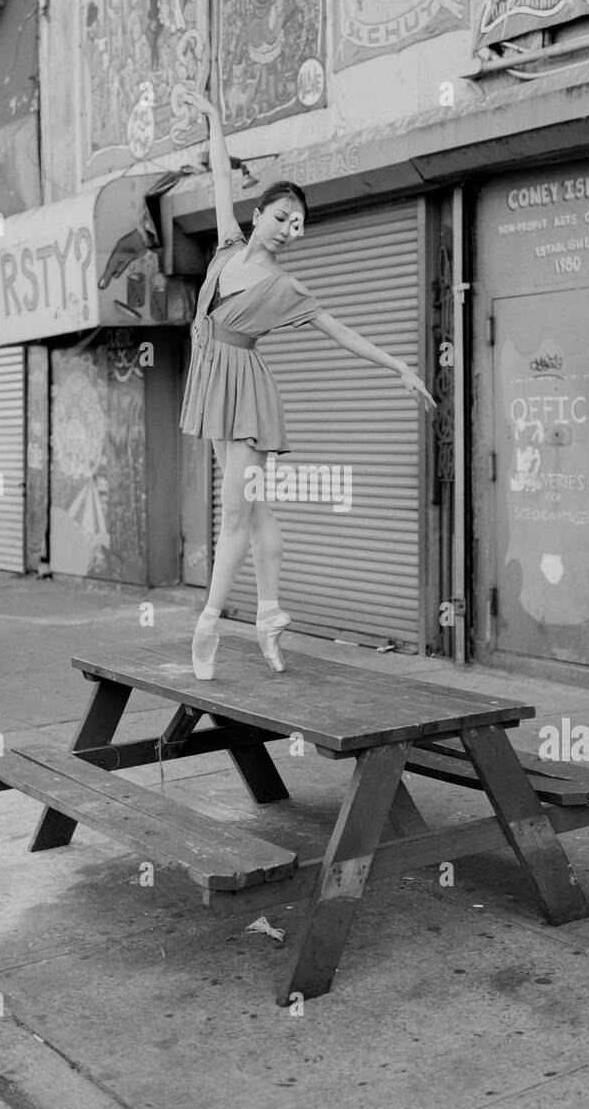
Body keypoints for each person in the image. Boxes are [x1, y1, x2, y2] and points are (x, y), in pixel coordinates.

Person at [179, 88, 436, 680]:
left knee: (234, 514)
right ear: (258, 214)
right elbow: (221, 176)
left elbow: (339, 332)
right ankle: (270, 616)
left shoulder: (285, 287)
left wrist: (397, 365)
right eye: (279, 217)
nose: (287, 230)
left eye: (296, 226)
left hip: (245, 395)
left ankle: (209, 624)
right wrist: (218, 120)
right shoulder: (223, 250)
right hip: (216, 385)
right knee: (258, 510)